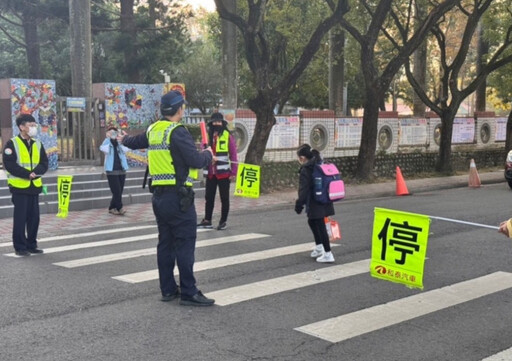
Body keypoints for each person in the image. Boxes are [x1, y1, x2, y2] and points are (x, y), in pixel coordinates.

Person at [119, 90, 216, 306]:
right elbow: (196, 160)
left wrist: (123, 138)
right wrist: (209, 154)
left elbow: (134, 142)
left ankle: (168, 289)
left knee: (165, 244)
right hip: (179, 199)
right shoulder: (178, 132)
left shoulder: (154, 129)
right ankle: (189, 292)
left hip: (159, 199)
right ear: (180, 109)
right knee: (184, 244)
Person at [2, 114, 48, 256]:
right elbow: (9, 164)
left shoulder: (38, 143)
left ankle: (32, 244)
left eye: (35, 125)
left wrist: (36, 172)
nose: (33, 128)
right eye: (31, 125)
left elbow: (44, 163)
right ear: (22, 127)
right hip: (19, 187)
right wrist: (26, 174)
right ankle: (20, 247)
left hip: (34, 186)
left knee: (34, 218)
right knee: (21, 218)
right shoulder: (12, 143)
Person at [294, 143, 335, 263]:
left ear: (302, 158)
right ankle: (319, 247)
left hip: (315, 201)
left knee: (320, 225)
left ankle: (328, 253)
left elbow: (304, 189)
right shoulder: (319, 163)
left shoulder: (307, 168)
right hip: (325, 199)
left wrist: (299, 204)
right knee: (312, 221)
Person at [197, 112, 238, 230]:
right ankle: (207, 220)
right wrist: (208, 155)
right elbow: (203, 151)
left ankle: (223, 221)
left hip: (224, 173)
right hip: (211, 173)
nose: (217, 124)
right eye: (214, 122)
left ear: (222, 123)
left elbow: (233, 154)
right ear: (211, 123)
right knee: (209, 197)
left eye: (219, 121)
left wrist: (233, 172)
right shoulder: (206, 137)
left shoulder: (227, 135)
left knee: (224, 198)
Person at [100, 126, 130, 215]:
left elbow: (126, 149)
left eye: (115, 132)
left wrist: (121, 140)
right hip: (111, 170)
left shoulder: (120, 143)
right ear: (108, 133)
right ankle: (120, 208)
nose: (113, 134)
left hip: (122, 169)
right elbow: (104, 149)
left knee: (119, 191)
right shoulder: (107, 142)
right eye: (111, 132)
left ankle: (112, 207)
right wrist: (109, 139)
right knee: (116, 190)